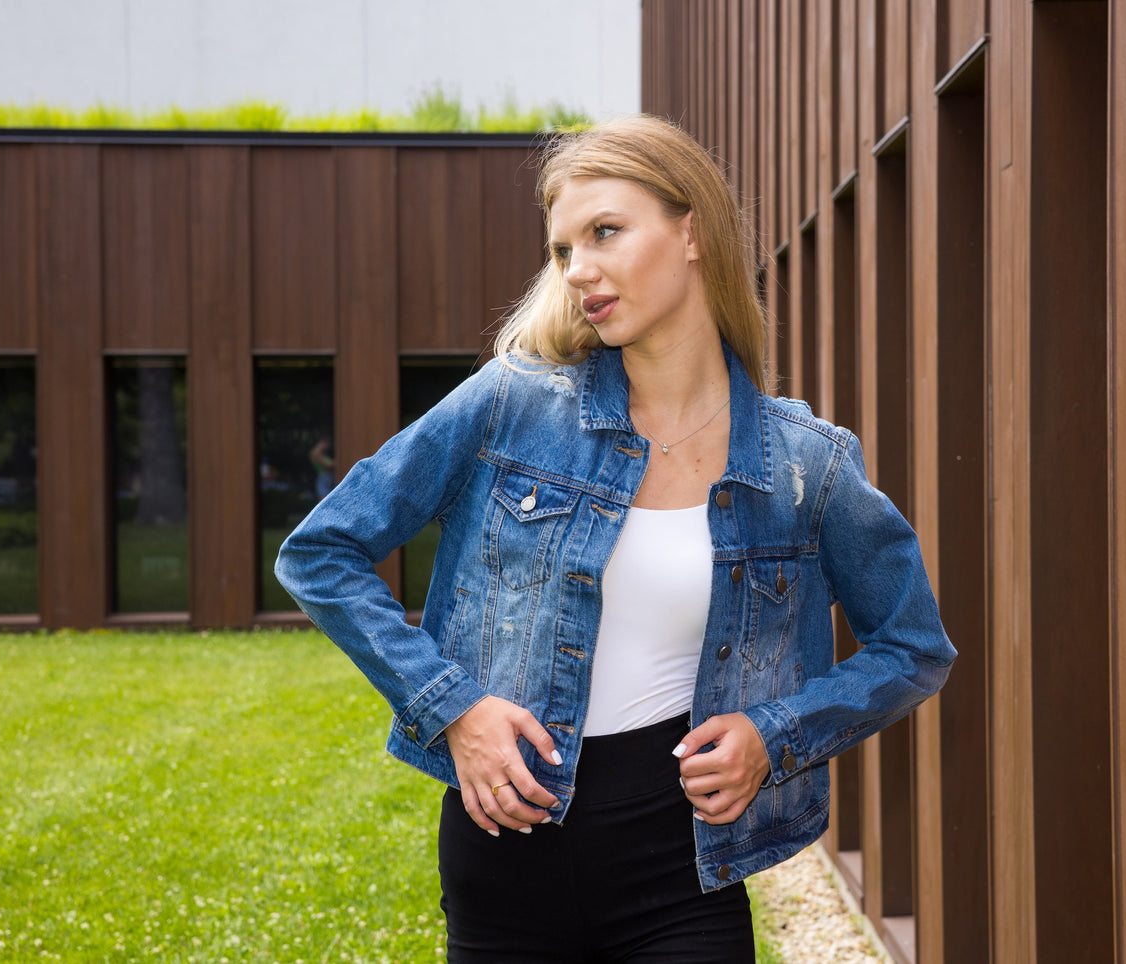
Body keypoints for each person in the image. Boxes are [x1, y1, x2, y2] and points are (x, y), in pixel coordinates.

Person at [275, 115, 954, 963]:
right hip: (504, 859)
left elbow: (912, 646)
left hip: (683, 871)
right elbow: (320, 552)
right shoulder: (511, 406)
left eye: (604, 233)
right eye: (563, 250)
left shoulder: (801, 464)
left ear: (692, 230)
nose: (578, 271)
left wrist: (773, 735)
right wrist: (453, 708)